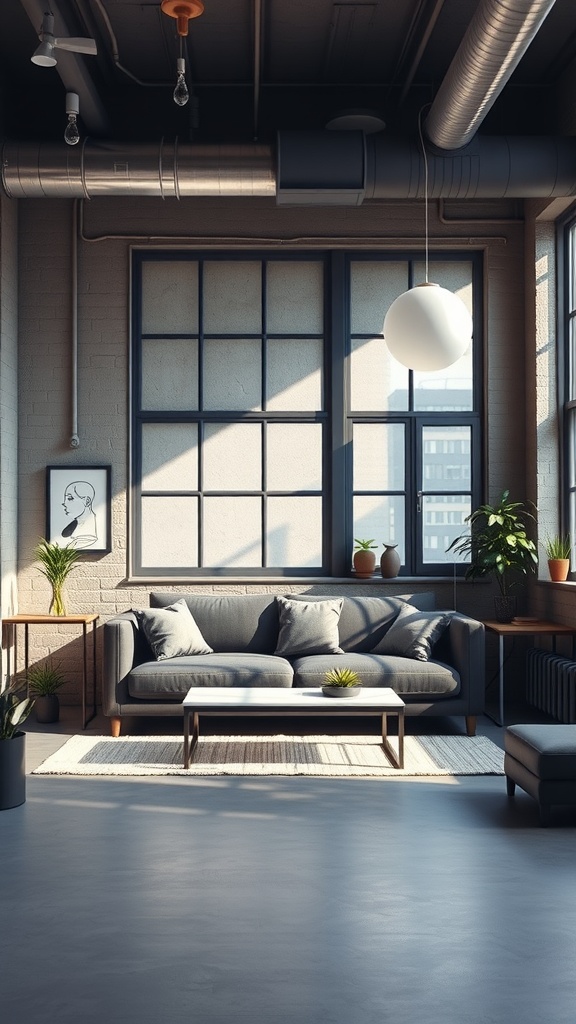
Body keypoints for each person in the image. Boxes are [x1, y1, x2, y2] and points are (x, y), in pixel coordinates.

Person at [61, 480, 98, 549]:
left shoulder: (85, 540)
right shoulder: (73, 533)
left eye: (70, 498)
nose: (64, 503)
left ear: (87, 501)